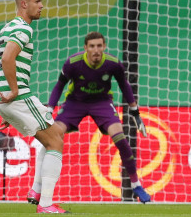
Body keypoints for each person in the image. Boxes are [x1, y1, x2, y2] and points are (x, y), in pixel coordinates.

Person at [33, 31, 151, 203]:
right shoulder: (73, 63)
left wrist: (135, 112)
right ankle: (37, 187)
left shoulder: (113, 64)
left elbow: (124, 86)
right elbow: (59, 86)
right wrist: (49, 109)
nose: (96, 50)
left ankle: (136, 185)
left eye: (99, 46)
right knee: (52, 137)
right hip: (75, 102)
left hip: (102, 102)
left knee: (120, 138)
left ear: (104, 46)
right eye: (92, 46)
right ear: (85, 48)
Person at [0, 0, 69, 214]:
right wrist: (15, 92)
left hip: (3, 98)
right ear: (24, 4)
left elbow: (3, 62)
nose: (41, 5)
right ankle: (44, 203)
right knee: (55, 141)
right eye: (37, 1)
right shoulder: (24, 29)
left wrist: (8, 105)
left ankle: (37, 191)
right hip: (17, 96)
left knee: (54, 135)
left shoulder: (7, 27)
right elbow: (8, 58)